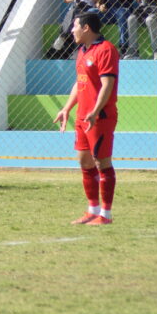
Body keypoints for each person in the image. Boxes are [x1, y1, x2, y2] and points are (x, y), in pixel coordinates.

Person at [53, 12, 119, 225]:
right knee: (84, 161)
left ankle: (105, 215)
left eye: (75, 26)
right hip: (83, 117)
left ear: (86, 28)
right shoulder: (82, 51)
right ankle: (92, 210)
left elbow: (107, 84)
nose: (72, 30)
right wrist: (67, 108)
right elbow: (79, 82)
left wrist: (95, 110)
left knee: (102, 162)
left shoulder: (106, 50)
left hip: (99, 117)